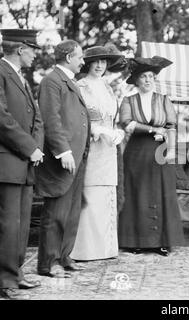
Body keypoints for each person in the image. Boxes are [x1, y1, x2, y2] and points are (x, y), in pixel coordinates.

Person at [118, 56, 184, 256]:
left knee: (161, 193)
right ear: (136, 80)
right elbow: (127, 123)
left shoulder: (164, 99)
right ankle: (136, 241)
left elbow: (171, 126)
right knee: (138, 193)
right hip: (137, 152)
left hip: (160, 151)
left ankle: (162, 242)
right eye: (143, 76)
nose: (147, 80)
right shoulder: (128, 100)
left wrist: (171, 149)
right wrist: (152, 129)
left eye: (151, 76)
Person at [36, 40, 90, 278]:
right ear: (68, 57)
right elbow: (51, 119)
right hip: (65, 158)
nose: (83, 61)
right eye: (80, 57)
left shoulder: (68, 81)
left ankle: (65, 256)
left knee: (72, 211)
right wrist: (63, 151)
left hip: (77, 156)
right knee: (56, 212)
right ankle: (48, 264)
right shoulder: (52, 81)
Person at [69, 45, 125, 261]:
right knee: (90, 194)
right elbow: (75, 119)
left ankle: (105, 249)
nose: (100, 65)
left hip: (109, 149)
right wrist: (97, 129)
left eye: (104, 62)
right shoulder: (80, 86)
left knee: (106, 195)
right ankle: (84, 250)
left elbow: (111, 117)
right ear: (88, 63)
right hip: (89, 147)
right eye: (96, 61)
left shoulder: (107, 87)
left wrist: (115, 131)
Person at [0, 29, 44, 299]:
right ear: (20, 49)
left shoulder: (20, 77)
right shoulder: (2, 72)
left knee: (22, 223)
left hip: (25, 162)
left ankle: (15, 274)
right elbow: (2, 118)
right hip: (8, 161)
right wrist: (30, 148)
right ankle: (5, 281)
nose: (35, 54)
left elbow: (36, 118)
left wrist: (36, 148)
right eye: (32, 50)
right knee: (8, 224)